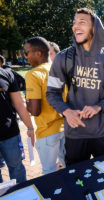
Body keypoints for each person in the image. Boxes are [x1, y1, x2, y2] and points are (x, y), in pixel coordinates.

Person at [46, 8, 104, 166]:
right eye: (74, 23)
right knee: (76, 179)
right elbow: (51, 93)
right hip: (75, 133)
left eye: (82, 22)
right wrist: (66, 111)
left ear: (95, 28)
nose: (76, 26)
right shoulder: (63, 58)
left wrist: (98, 107)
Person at [24, 36, 65, 174]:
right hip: (66, 127)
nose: (25, 56)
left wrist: (27, 102)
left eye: (27, 52)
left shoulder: (33, 74)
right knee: (69, 168)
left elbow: (35, 110)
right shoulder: (59, 69)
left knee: (49, 173)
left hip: (47, 132)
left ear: (39, 53)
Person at [0, 67, 35, 183]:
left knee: (17, 169)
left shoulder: (6, 74)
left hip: (9, 133)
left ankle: (21, 194)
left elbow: (19, 104)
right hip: (10, 134)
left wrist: (30, 127)